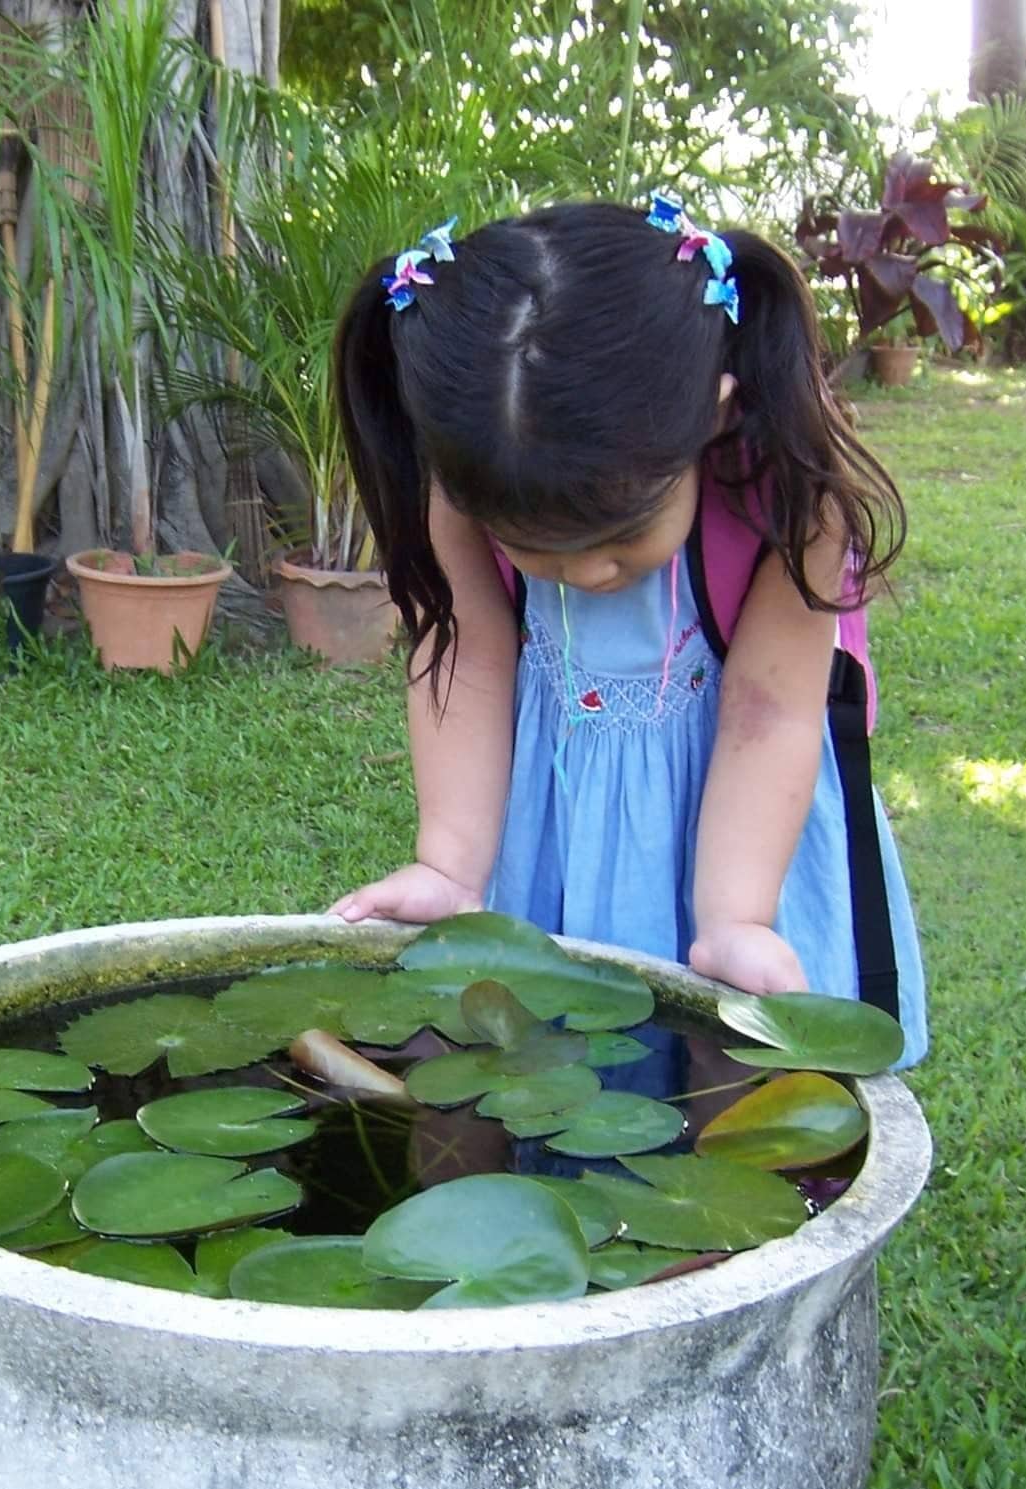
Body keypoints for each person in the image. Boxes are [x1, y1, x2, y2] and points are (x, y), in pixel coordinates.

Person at [327, 199, 927, 1069]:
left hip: (745, 831)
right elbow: (467, 654)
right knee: (537, 1072)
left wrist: (734, 919)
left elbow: (770, 717)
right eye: (537, 550)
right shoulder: (470, 479)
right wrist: (452, 870)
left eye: (618, 539)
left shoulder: (792, 498)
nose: (587, 575)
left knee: (738, 1083)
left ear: (713, 416)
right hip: (557, 825)